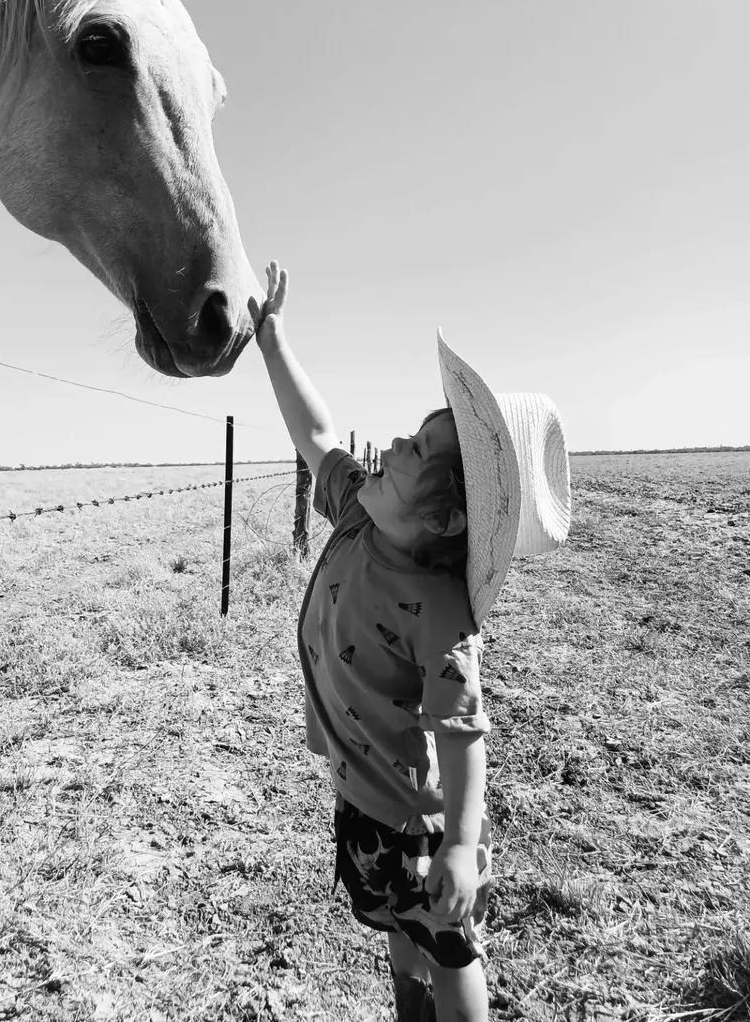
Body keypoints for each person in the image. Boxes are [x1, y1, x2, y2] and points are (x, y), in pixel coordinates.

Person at [254, 260, 571, 1022]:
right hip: (362, 797)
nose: (395, 439)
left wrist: (461, 847)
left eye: (419, 449)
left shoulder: (438, 610)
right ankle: (410, 1008)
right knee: (398, 926)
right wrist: (273, 344)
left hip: (425, 823)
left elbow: (464, 734)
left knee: (451, 945)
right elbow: (315, 430)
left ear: (445, 520)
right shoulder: (360, 510)